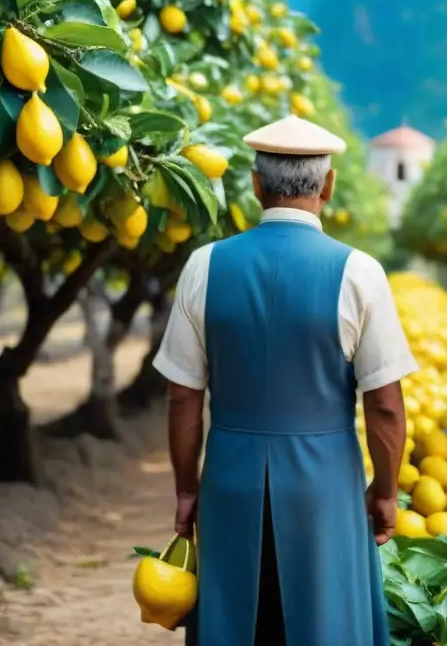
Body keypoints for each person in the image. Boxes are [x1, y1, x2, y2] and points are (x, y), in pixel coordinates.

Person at [152, 115, 417, 645]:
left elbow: (183, 397)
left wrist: (187, 488)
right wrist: (385, 491)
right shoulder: (359, 272)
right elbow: (384, 405)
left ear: (255, 185)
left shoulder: (204, 265)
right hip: (326, 487)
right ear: (328, 185)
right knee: (327, 623)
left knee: (236, 624)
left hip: (231, 479)